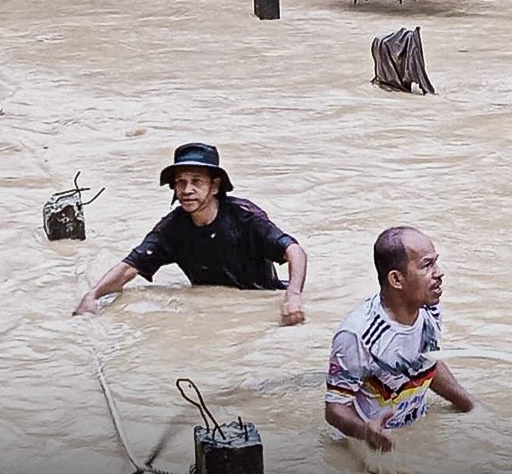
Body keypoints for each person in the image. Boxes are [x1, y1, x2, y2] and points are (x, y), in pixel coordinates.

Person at [72, 142, 308, 325]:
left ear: (214, 186)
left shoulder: (244, 216)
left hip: (261, 299)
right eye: (180, 182)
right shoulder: (173, 228)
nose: (187, 190)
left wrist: (293, 295)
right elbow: (128, 268)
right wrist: (93, 296)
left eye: (196, 181)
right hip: (212, 309)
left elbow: (294, 251)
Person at [324, 226, 474, 452]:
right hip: (371, 445)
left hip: (414, 430)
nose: (439, 273)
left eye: (436, 262)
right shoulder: (357, 334)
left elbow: (427, 362)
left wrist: (471, 406)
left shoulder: (428, 309)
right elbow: (335, 408)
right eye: (427, 265)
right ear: (396, 279)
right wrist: (366, 432)